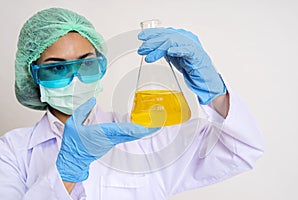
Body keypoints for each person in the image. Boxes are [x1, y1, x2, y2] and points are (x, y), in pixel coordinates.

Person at [0, 7, 264, 200]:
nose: (76, 77)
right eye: (56, 68)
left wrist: (213, 90)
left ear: (101, 65)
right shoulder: (12, 152)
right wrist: (67, 170)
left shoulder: (145, 134)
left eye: (87, 62)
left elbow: (241, 149)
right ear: (32, 76)